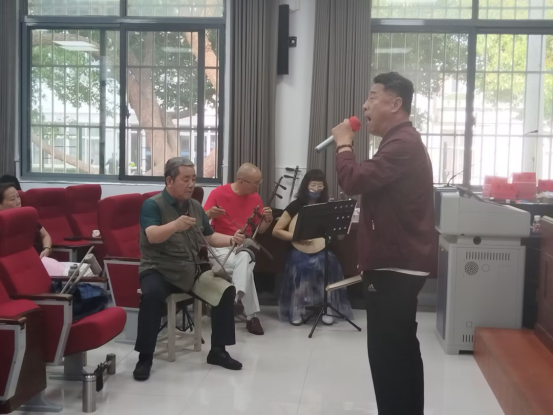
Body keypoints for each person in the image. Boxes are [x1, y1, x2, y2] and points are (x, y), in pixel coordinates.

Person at [331, 72, 435, 415]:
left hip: (394, 266)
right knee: (401, 352)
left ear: (396, 103)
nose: (365, 106)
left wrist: (344, 144)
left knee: (388, 357)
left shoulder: (402, 143)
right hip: (398, 263)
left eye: (373, 97)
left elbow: (352, 179)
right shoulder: (400, 142)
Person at [134, 157, 246, 381]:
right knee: (151, 296)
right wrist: (175, 225)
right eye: (185, 179)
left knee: (225, 291)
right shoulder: (152, 205)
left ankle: (218, 351)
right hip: (158, 269)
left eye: (193, 179)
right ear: (169, 181)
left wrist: (231, 239)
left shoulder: (194, 206)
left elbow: (209, 236)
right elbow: (152, 235)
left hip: (189, 269)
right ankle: (144, 358)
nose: (191, 184)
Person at [272, 169, 354, 326]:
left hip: (321, 250)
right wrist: (297, 237)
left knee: (330, 263)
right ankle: (297, 308)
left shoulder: (327, 206)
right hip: (299, 250)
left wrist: (344, 226)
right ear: (306, 185)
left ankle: (327, 309)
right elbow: (276, 231)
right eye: (313, 184)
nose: (316, 188)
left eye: (320, 185)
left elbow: (339, 237)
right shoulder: (295, 206)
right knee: (299, 265)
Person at [203, 163, 273, 335]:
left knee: (244, 257)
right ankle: (252, 317)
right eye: (255, 183)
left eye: (259, 182)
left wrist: (268, 220)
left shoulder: (255, 198)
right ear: (241, 181)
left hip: (243, 246)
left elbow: (260, 230)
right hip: (220, 244)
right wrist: (209, 213)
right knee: (246, 269)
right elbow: (201, 221)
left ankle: (234, 298)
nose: (258, 187)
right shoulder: (218, 193)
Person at [0, 183, 53, 258]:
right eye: (12, 199)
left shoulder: (27, 216)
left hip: (44, 258)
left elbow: (45, 235)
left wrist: (47, 249)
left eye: (18, 196)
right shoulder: (3, 226)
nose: (18, 201)